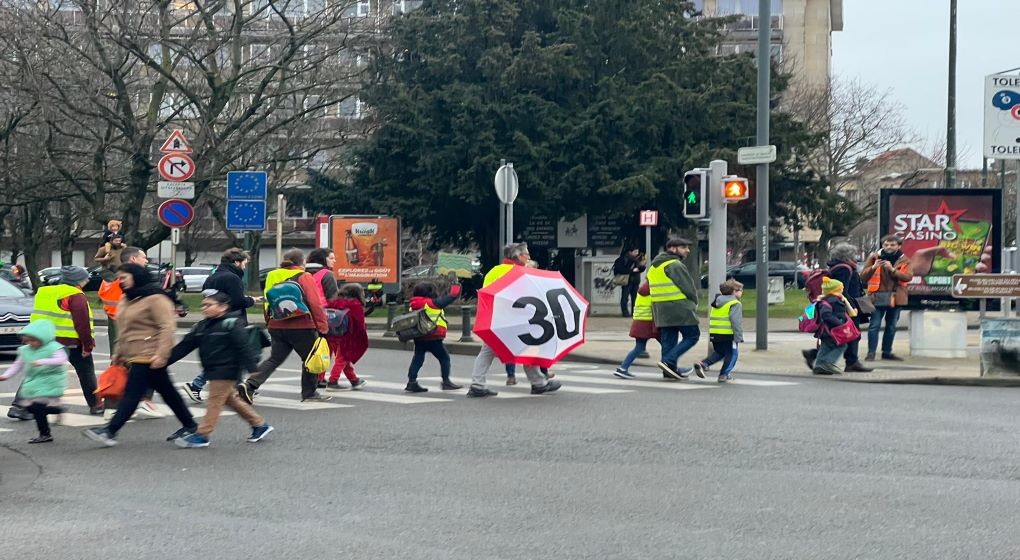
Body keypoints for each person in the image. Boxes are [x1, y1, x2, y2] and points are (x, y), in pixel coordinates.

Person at [82, 263, 198, 447]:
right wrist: (119, 351)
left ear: (136, 276)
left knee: (133, 393)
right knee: (168, 392)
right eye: (119, 278)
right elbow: (124, 329)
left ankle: (110, 430)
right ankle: (190, 425)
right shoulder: (127, 298)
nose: (121, 282)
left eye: (124, 278)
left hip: (149, 353)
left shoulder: (156, 298)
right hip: (134, 352)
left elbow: (167, 327)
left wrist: (162, 354)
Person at [167, 291, 273, 448]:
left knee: (214, 400)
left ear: (223, 307)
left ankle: (203, 435)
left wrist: (252, 367)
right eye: (203, 305)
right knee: (230, 399)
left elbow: (243, 347)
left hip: (227, 369)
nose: (204, 308)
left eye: (209, 305)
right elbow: (185, 346)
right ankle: (259, 424)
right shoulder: (202, 326)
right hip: (212, 368)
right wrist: (165, 360)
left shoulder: (232, 324)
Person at [236, 249, 330, 404]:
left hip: (277, 324)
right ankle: (309, 393)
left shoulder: (272, 275)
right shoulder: (304, 276)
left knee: (274, 359)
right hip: (301, 325)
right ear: (302, 262)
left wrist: (269, 322)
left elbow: (268, 301)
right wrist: (322, 326)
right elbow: (314, 303)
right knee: (310, 358)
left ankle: (250, 385)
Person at [468, 243, 560, 397]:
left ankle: (477, 384)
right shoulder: (518, 273)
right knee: (529, 347)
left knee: (487, 352)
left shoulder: (494, 271)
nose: (529, 257)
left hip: (495, 319)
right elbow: (526, 298)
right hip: (515, 320)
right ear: (518, 256)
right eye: (526, 254)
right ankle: (538, 383)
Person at [182, 248, 261, 401]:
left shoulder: (212, 277)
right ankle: (199, 385)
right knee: (233, 356)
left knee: (226, 357)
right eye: (244, 263)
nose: (245, 266)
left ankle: (235, 387)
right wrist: (250, 300)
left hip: (215, 320)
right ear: (236, 262)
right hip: (232, 321)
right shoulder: (233, 278)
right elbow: (237, 301)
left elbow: (212, 297)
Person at [97, 246, 164, 419]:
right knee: (141, 363)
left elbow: (105, 297)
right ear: (133, 259)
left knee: (122, 364)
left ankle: (115, 405)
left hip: (118, 322)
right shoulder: (131, 277)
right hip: (132, 325)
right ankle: (141, 401)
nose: (146, 260)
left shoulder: (112, 276)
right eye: (143, 257)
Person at [27, 266, 102, 415]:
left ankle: (19, 406)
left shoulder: (44, 292)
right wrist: (87, 345)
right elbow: (82, 323)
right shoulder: (75, 295)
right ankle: (95, 405)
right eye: (85, 278)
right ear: (78, 281)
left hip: (45, 341)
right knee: (86, 373)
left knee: (38, 372)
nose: (87, 281)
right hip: (71, 342)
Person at [801, 243, 873, 373]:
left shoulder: (838, 267)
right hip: (844, 307)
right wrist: (850, 307)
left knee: (838, 335)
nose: (856, 257)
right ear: (847, 256)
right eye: (854, 255)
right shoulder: (844, 269)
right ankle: (851, 362)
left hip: (841, 305)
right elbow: (841, 290)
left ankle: (815, 355)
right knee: (850, 334)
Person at [0, 320, 69, 444]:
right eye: (28, 341)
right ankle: (57, 410)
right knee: (31, 407)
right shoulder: (25, 350)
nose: (31, 344)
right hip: (34, 381)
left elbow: (61, 360)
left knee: (37, 408)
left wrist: (42, 361)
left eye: (34, 341)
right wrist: (6, 376)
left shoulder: (54, 347)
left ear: (44, 338)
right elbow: (17, 365)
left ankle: (45, 434)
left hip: (51, 380)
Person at [648, 238, 702, 380]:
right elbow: (688, 287)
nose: (687, 250)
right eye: (684, 247)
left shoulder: (653, 267)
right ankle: (668, 361)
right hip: (679, 307)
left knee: (669, 340)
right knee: (692, 335)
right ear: (672, 248)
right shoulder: (675, 265)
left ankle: (669, 370)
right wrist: (694, 301)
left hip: (661, 309)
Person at [405, 281, 463, 392]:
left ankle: (411, 382)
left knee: (418, 358)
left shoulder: (413, 304)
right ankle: (446, 382)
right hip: (433, 335)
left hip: (419, 336)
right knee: (444, 358)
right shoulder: (429, 303)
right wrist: (456, 286)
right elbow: (450, 298)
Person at [861, 235, 912, 361]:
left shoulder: (905, 260)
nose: (889, 247)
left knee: (891, 326)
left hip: (896, 298)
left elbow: (908, 277)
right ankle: (871, 353)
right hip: (876, 296)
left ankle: (887, 352)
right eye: (886, 245)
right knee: (874, 325)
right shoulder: (874, 258)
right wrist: (873, 267)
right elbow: (862, 277)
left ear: (899, 246)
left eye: (892, 245)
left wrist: (892, 270)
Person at [693, 280, 744, 383]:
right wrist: (738, 336)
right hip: (728, 334)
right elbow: (735, 321)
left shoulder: (717, 302)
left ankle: (704, 363)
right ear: (733, 291)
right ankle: (724, 374)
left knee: (720, 352)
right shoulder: (735, 303)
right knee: (732, 354)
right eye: (740, 290)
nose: (742, 292)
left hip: (715, 333)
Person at [324, 283, 369, 390]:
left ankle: (354, 380)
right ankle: (333, 381)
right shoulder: (355, 305)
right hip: (347, 336)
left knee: (343, 358)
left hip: (332, 333)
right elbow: (360, 324)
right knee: (343, 358)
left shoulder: (334, 302)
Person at [812, 277, 859, 375]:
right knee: (841, 345)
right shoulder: (834, 300)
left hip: (824, 330)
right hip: (832, 330)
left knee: (825, 347)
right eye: (841, 289)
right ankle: (828, 363)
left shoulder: (825, 299)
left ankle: (819, 365)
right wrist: (839, 324)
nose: (842, 291)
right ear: (836, 290)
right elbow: (827, 315)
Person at [614, 279, 657, 379]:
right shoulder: (654, 291)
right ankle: (672, 367)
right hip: (648, 323)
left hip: (639, 322)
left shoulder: (641, 291)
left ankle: (623, 368)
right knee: (667, 345)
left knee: (639, 347)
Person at [613, 247, 645, 317]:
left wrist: (640, 266)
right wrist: (632, 270)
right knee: (625, 297)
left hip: (635, 281)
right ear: (630, 252)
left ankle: (634, 312)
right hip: (626, 281)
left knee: (635, 298)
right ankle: (625, 312)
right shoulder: (623, 259)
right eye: (635, 252)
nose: (637, 253)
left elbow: (642, 268)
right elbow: (619, 269)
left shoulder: (638, 259)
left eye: (637, 252)